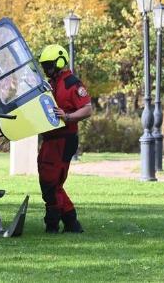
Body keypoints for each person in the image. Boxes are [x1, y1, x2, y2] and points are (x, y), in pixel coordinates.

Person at [37, 44, 93, 233]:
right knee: (51, 182)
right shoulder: (51, 83)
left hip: (63, 139)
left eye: (49, 65)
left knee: (50, 182)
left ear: (60, 62)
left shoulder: (71, 83)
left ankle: (53, 223)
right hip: (50, 140)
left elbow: (87, 109)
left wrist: (67, 117)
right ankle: (71, 223)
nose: (46, 69)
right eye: (44, 66)